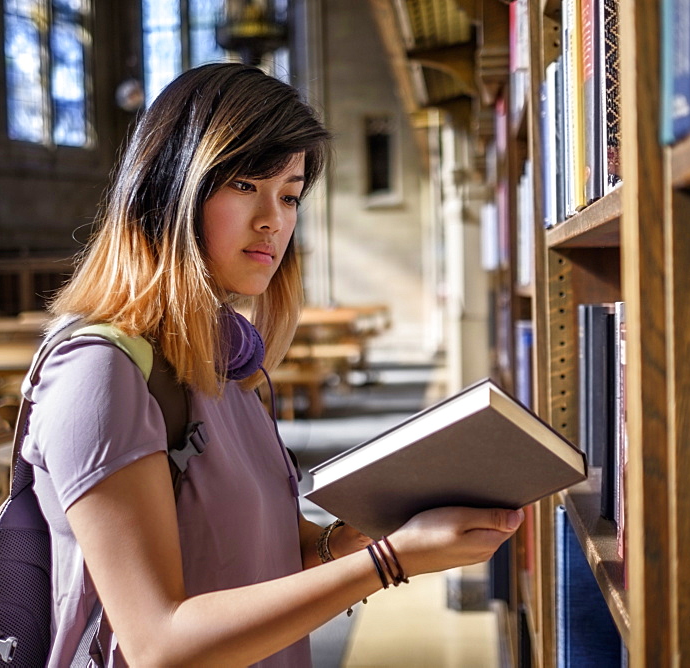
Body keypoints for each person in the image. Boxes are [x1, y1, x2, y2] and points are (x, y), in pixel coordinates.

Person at [28, 62, 525, 667]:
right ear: (168, 187)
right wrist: (390, 563)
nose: (274, 220)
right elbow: (160, 645)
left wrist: (357, 538)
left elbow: (267, 561)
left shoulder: (224, 364)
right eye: (245, 185)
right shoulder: (100, 371)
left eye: (289, 195)